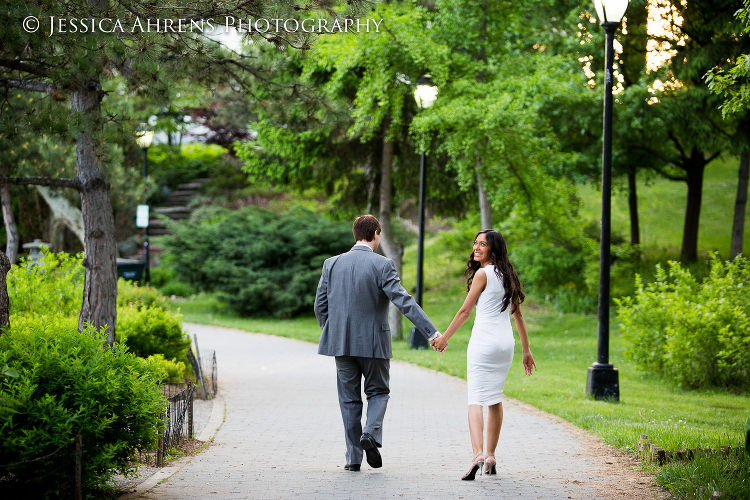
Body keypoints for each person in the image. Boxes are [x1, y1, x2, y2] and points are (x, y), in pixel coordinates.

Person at [314, 214, 443, 472]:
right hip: (374, 344)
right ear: (376, 234)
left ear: (355, 235)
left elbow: (320, 306)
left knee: (349, 401)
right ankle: (370, 434)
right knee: (379, 392)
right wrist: (431, 332)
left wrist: (335, 331)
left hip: (342, 345)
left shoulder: (331, 263)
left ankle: (353, 459)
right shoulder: (383, 264)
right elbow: (403, 301)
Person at [432, 229, 537, 480]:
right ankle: (490, 455)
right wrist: (526, 351)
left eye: (483, 244)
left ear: (493, 249)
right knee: (495, 399)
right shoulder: (508, 275)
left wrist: (444, 337)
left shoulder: (482, 274)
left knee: (476, 398)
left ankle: (478, 454)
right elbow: (518, 315)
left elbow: (465, 311)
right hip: (505, 346)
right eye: (475, 243)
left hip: (484, 344)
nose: (476, 248)